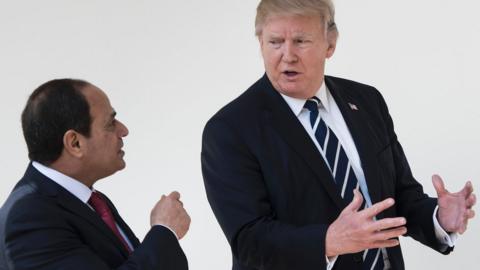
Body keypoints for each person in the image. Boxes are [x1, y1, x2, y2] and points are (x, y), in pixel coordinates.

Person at [201, 0, 476, 269]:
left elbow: (399, 197)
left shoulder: (367, 101)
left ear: (330, 44)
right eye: (275, 42)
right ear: (261, 43)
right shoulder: (229, 130)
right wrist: (327, 242)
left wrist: (438, 218)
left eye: (301, 41)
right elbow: (249, 241)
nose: (287, 55)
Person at [0, 79, 190, 270]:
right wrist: (164, 231)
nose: (123, 130)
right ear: (75, 143)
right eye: (110, 123)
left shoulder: (90, 201)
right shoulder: (30, 218)